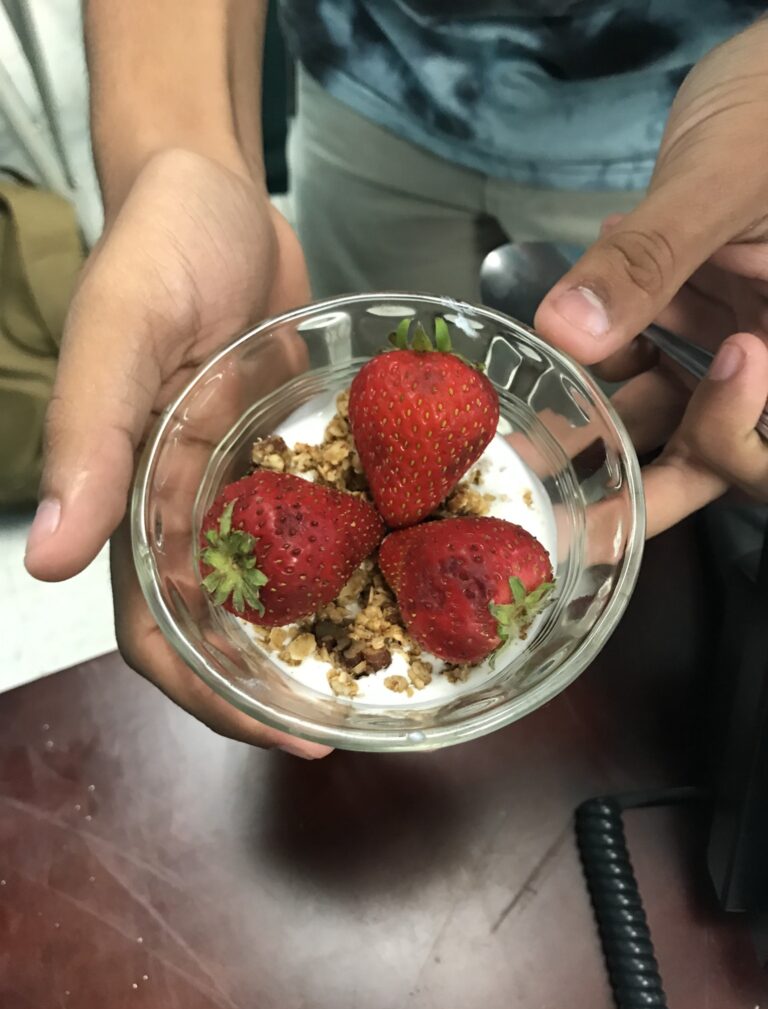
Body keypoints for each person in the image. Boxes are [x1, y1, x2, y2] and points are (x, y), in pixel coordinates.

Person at [23, 1, 768, 756]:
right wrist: (184, 150)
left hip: (688, 128)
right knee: (359, 348)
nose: (389, 525)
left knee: (657, 378)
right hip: (375, 92)